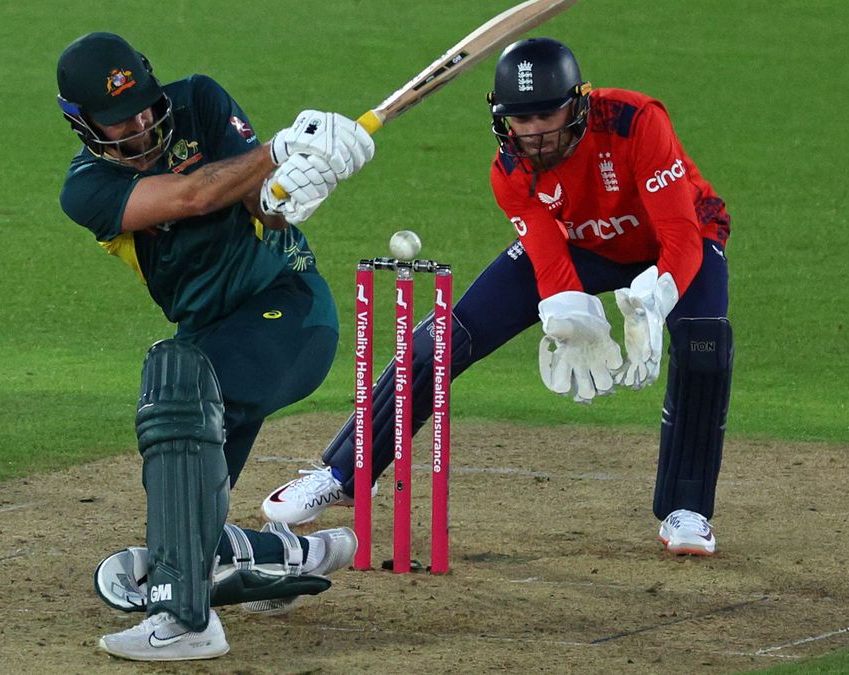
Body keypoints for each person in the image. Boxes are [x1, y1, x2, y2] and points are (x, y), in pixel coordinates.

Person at [261, 37, 733, 557]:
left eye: (546, 115)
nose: (533, 132)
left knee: (704, 348)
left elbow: (680, 233)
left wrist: (655, 301)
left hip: (678, 239)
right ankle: (345, 473)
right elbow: (551, 264)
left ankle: (686, 509)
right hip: (579, 243)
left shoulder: (634, 121)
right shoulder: (510, 170)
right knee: (441, 340)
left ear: (578, 103)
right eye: (520, 119)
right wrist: (568, 316)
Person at [55, 32, 375, 662]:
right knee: (181, 508)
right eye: (119, 118)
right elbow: (191, 195)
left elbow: (264, 205)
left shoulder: (199, 101)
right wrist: (279, 148)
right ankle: (291, 555)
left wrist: (293, 182)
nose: (140, 124)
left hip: (288, 311)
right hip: (211, 337)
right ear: (81, 122)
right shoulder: (86, 189)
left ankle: (185, 621)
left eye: (144, 106)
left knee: (177, 391)